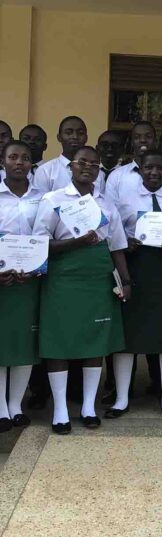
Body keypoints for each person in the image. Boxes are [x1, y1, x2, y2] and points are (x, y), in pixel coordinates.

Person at [33, 146, 130, 435]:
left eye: (94, 164)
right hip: (64, 275)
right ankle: (61, 409)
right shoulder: (53, 199)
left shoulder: (106, 203)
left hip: (98, 276)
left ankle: (88, 406)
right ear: (70, 167)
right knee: (58, 339)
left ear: (99, 170)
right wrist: (74, 243)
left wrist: (125, 281)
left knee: (94, 339)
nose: (88, 167)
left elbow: (117, 246)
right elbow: (41, 242)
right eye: (82, 163)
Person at [105, 150, 162, 420]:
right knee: (129, 335)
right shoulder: (123, 201)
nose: (154, 172)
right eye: (149, 167)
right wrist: (126, 244)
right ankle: (121, 398)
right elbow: (113, 238)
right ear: (139, 169)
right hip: (135, 267)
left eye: (160, 168)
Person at [0, 141, 44, 431]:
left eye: (25, 158)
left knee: (24, 343)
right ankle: (0, 407)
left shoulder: (43, 197)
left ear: (32, 164)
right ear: (3, 161)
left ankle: (16, 404)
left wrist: (37, 266)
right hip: (1, 279)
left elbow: (46, 234)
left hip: (31, 279)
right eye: (13, 157)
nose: (19, 162)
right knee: (2, 341)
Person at [106, 121, 162, 203]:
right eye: (137, 137)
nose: (143, 140)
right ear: (132, 142)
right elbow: (110, 210)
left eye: (148, 136)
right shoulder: (116, 176)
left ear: (155, 141)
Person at [33, 116, 105, 194]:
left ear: (86, 138)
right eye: (68, 133)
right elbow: (42, 203)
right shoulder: (45, 171)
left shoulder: (97, 173)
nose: (75, 137)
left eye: (80, 133)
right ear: (59, 137)